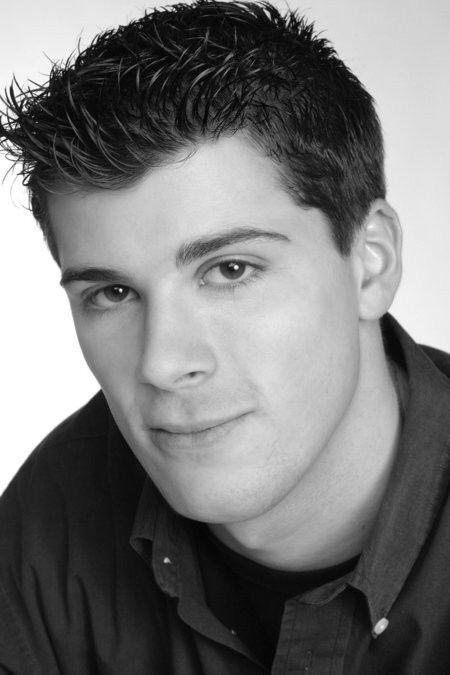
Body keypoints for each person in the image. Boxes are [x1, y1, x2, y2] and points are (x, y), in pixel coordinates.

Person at [0, 1, 448, 672]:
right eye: (113, 293)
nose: (162, 363)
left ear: (371, 262)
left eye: (230, 270)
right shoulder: (51, 526)